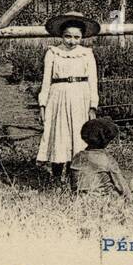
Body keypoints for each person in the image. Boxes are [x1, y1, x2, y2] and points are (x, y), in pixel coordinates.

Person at [36, 11, 100, 181]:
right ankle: (57, 176)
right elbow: (46, 82)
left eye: (76, 37)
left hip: (80, 97)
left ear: (82, 37)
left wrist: (92, 106)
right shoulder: (53, 53)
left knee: (78, 136)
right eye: (68, 36)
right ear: (62, 35)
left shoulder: (86, 53)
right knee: (59, 133)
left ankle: (76, 177)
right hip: (58, 97)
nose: (72, 41)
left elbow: (93, 82)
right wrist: (42, 105)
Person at [69, 117, 133, 200]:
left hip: (80, 200)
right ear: (106, 141)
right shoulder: (107, 159)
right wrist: (131, 197)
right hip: (104, 201)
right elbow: (122, 187)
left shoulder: (77, 157)